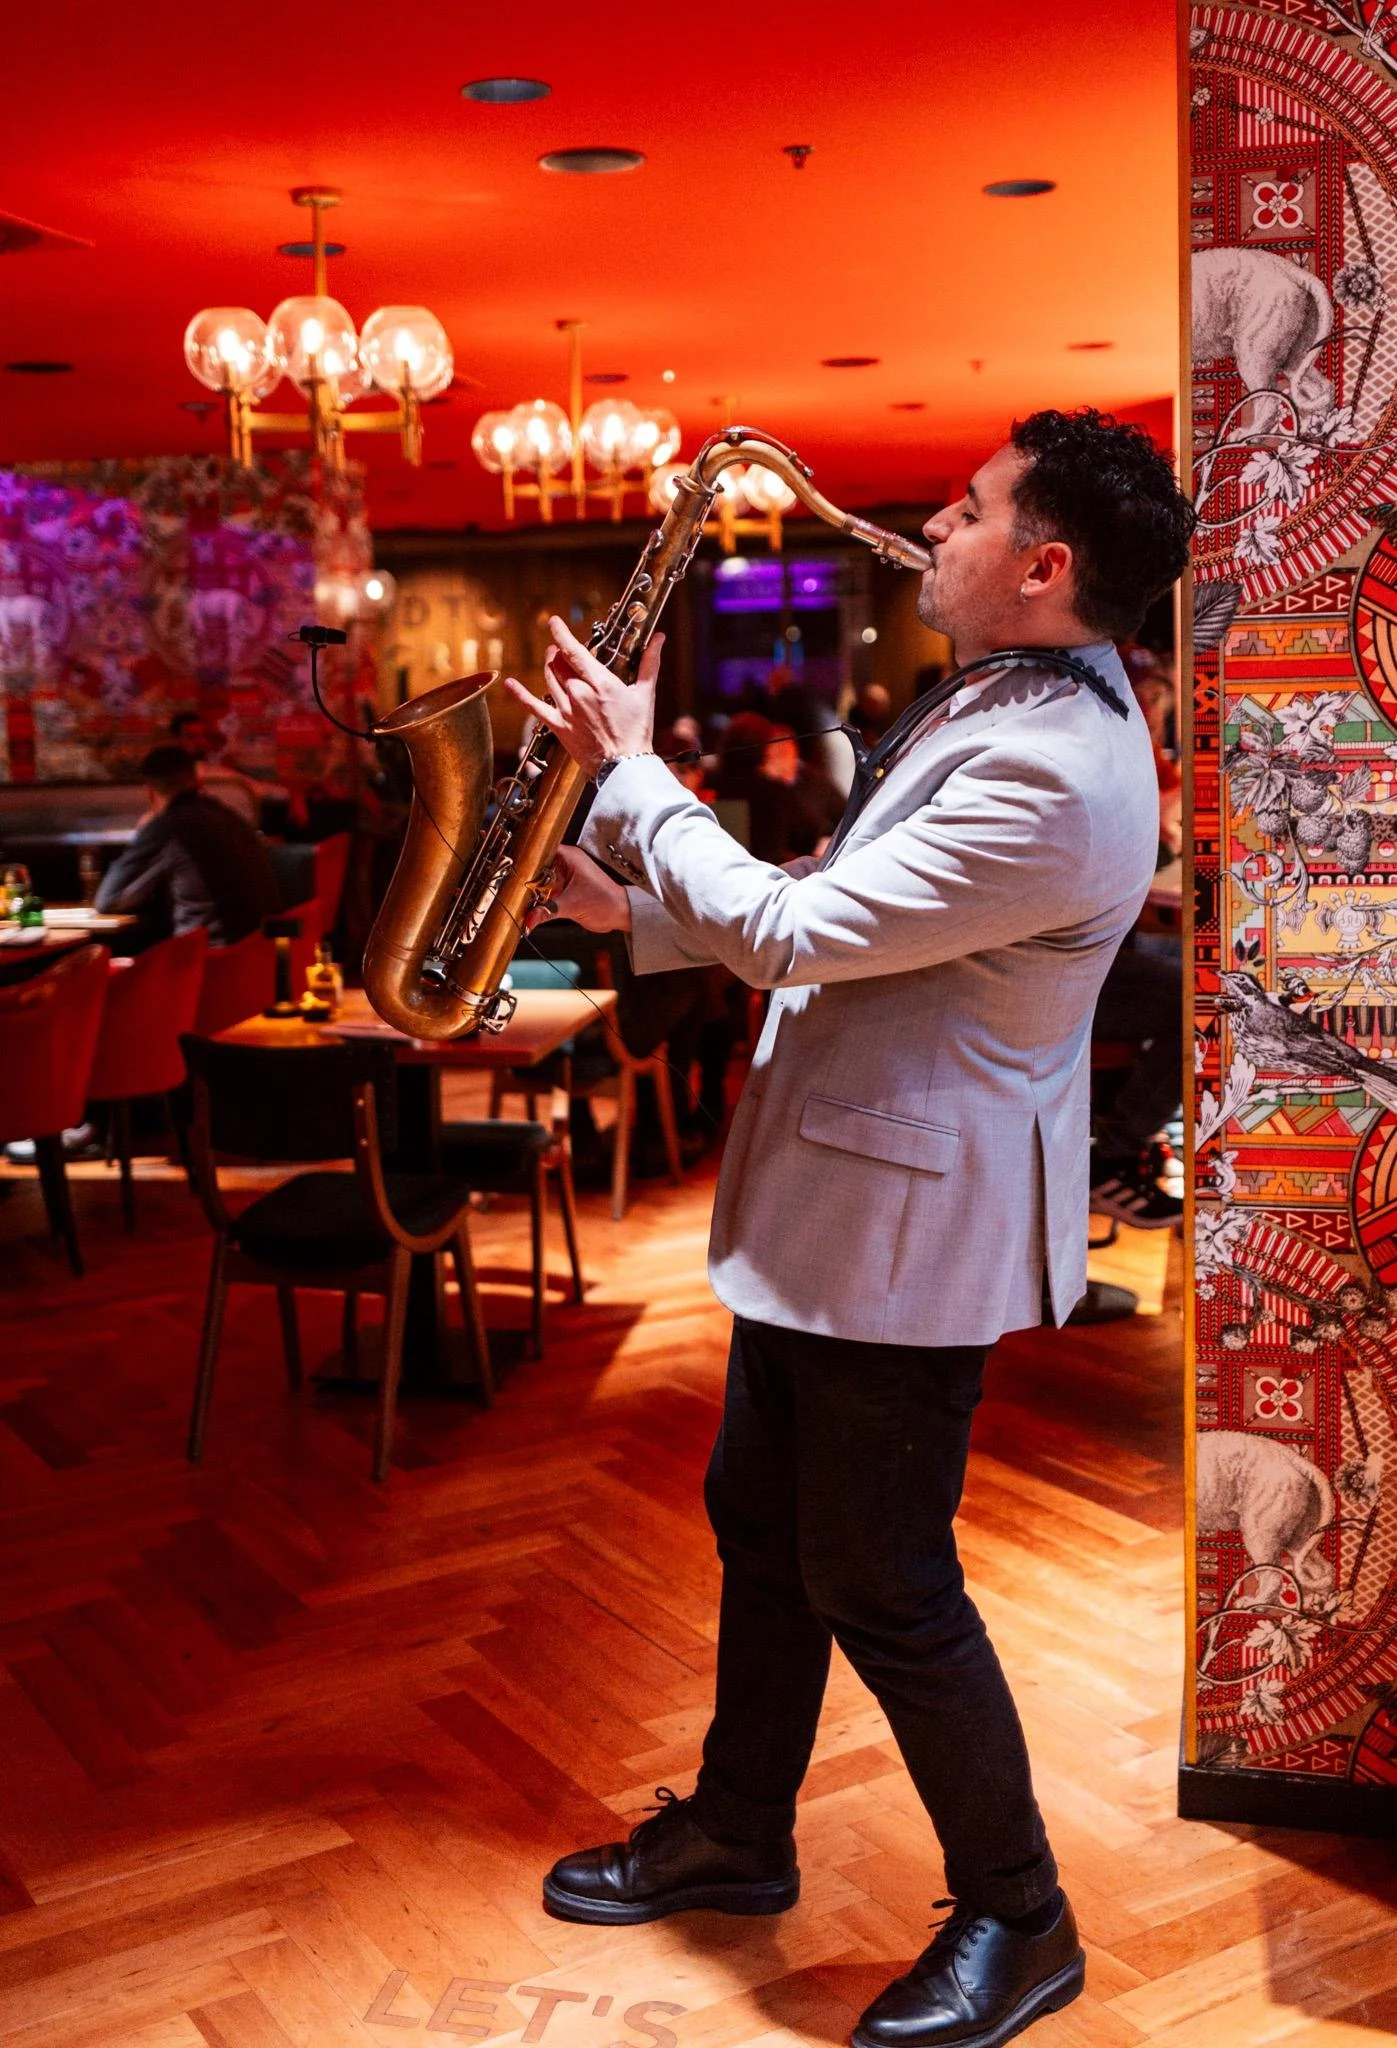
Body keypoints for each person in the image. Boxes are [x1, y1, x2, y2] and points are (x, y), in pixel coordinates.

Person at [505, 409, 1194, 2048]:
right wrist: (630, 903)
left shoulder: (1051, 758)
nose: (923, 531)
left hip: (908, 1235)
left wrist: (633, 767)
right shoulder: (1013, 695)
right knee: (762, 1518)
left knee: (882, 1580)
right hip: (845, 1205)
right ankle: (740, 1828)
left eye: (961, 512)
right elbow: (854, 919)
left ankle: (1019, 1915)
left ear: (1042, 565)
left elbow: (802, 928)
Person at [96, 745, 280, 946]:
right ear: (199, 782)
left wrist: (144, 833)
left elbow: (110, 899)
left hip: (209, 963)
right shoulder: (229, 816)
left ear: (149, 791)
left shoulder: (168, 826)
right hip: (258, 958)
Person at [168, 709, 264, 826]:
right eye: (191, 737)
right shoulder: (172, 775)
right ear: (175, 740)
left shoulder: (216, 771)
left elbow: (261, 791)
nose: (201, 742)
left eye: (202, 736)